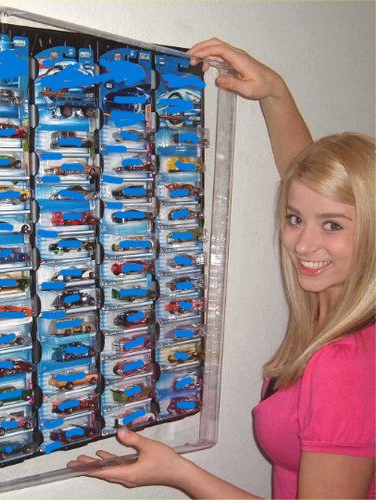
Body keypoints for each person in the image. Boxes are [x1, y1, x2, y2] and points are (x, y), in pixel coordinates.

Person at [68, 39, 375, 499]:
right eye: (294, 219)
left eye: (332, 225)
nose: (303, 244)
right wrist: (275, 93)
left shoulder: (345, 365)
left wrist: (179, 474)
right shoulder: (335, 299)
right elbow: (314, 186)